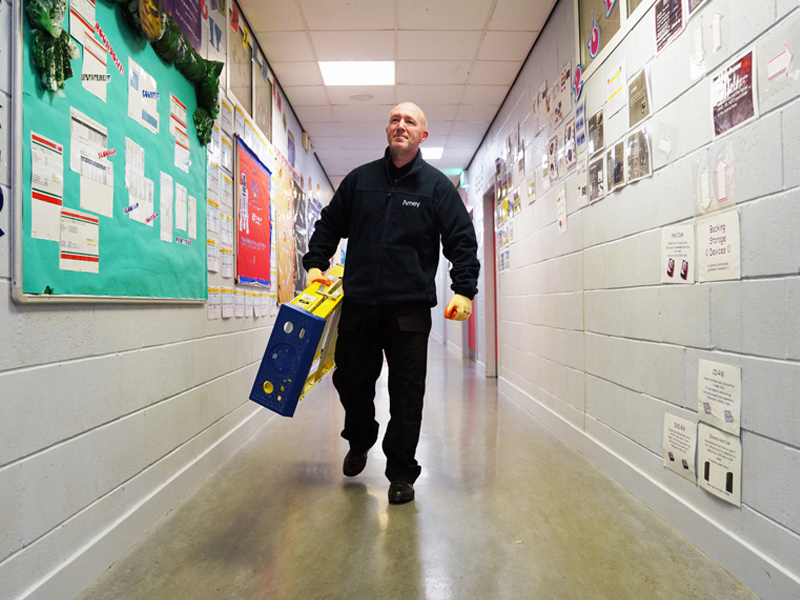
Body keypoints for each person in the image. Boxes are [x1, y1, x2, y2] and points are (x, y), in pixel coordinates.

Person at [303, 102, 480, 504]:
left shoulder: (436, 188)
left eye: (411, 121)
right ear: (387, 129)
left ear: (423, 135)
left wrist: (463, 290)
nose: (401, 126)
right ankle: (361, 438)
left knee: (406, 393)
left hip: (409, 311)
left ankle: (401, 471)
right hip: (361, 305)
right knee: (350, 380)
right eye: (395, 119)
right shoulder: (360, 181)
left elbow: (462, 243)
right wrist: (315, 264)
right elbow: (329, 224)